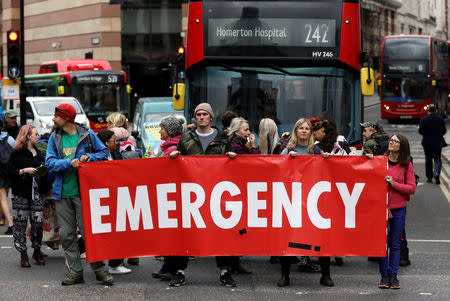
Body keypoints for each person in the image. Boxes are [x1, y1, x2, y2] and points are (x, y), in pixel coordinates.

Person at [170, 103, 237, 287]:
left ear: (210, 117)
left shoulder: (223, 138)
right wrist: (175, 157)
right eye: (198, 114)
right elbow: (179, 160)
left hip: (216, 192)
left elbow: (232, 164)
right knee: (186, 232)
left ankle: (224, 271)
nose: (201, 117)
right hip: (192, 193)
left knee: (220, 232)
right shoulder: (186, 137)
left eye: (204, 114)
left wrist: (231, 158)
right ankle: (179, 271)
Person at [45, 103, 113, 286]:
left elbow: (103, 152)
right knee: (67, 235)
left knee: (89, 234)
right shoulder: (54, 137)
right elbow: (49, 162)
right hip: (62, 194)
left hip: (84, 193)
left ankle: (101, 271)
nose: (53, 119)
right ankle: (75, 272)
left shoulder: (88, 135)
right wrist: (69, 163)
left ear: (66, 118)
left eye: (56, 116)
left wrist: (89, 158)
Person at [278, 118, 323, 287]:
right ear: (296, 131)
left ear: (311, 132)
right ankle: (285, 275)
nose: (304, 131)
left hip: (311, 200)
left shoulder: (316, 150)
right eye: (301, 128)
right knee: (287, 237)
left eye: (307, 128)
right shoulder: (288, 150)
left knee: (316, 236)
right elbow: (277, 171)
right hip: (291, 200)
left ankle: (324, 274)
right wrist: (287, 160)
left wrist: (326, 160)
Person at [378, 133, 416, 289]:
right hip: (380, 210)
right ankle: (384, 276)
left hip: (398, 210)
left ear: (402, 145)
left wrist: (394, 184)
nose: (391, 142)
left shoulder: (406, 164)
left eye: (395, 141)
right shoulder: (380, 161)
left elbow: (412, 188)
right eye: (391, 140)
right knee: (381, 244)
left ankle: (393, 276)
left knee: (394, 245)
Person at [8, 125, 47, 267]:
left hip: (36, 193)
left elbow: (43, 170)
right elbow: (9, 170)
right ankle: (23, 254)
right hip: (20, 193)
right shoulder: (17, 153)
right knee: (20, 224)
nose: (38, 136)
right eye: (36, 134)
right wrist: (23, 171)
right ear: (28, 136)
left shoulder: (39, 152)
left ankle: (37, 250)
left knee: (37, 224)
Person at [96, 129, 132, 275]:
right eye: (113, 140)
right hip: (104, 198)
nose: (116, 143)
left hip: (116, 196)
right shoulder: (98, 158)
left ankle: (116, 262)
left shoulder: (115, 155)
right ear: (105, 143)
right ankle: (113, 263)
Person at [418, 104, 447, 184]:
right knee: (437, 159)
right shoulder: (440, 119)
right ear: (436, 110)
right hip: (438, 142)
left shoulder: (423, 119)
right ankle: (437, 173)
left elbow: (420, 131)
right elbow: (444, 130)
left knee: (428, 160)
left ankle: (429, 177)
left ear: (428, 111)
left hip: (427, 143)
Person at [0, 118, 15, 234]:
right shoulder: (9, 138)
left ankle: (10, 223)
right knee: (5, 195)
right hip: (9, 171)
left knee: (3, 198)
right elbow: (15, 151)